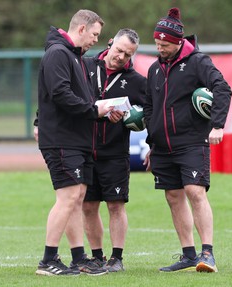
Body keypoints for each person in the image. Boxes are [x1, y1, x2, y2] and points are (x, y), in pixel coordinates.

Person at [143, 7, 232, 273]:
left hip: (192, 141)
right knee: (173, 196)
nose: (161, 48)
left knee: (195, 191)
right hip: (162, 146)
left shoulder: (197, 62)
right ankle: (188, 255)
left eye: (165, 44)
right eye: (157, 43)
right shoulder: (154, 69)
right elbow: (150, 106)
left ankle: (208, 253)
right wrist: (151, 141)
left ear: (178, 42)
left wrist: (217, 125)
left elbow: (222, 88)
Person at [35, 9, 113, 276]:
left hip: (77, 138)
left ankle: (79, 258)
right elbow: (60, 94)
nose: (95, 40)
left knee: (77, 197)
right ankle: (48, 260)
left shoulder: (76, 57)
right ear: (81, 29)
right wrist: (94, 111)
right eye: (94, 34)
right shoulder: (58, 54)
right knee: (68, 197)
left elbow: (82, 100)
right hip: (60, 138)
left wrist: (103, 113)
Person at [82, 28, 146, 272]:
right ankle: (97, 256)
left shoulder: (137, 81)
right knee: (88, 206)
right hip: (84, 149)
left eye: (128, 54)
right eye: (119, 50)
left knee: (115, 205)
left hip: (115, 152)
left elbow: (150, 110)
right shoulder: (84, 67)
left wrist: (134, 118)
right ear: (110, 43)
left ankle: (116, 258)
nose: (121, 57)